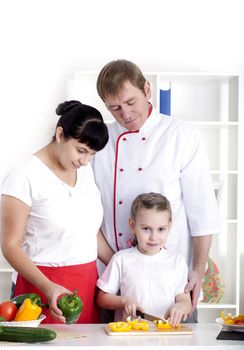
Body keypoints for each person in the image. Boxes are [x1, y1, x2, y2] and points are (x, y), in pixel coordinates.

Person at [92, 59, 220, 322]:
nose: (125, 114)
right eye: (114, 108)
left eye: (131, 102)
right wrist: (120, 263)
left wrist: (197, 270)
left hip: (173, 285)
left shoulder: (181, 135)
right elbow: (88, 213)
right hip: (115, 283)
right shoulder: (100, 142)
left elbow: (202, 212)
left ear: (147, 90)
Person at [0, 100, 112, 324]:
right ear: (60, 134)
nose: (85, 160)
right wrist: (48, 287)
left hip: (87, 284)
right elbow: (10, 245)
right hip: (41, 286)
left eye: (92, 154)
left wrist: (121, 265)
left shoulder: (85, 171)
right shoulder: (24, 176)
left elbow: (89, 230)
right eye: (81, 151)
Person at [97, 193, 192, 326]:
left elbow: (185, 300)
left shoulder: (177, 262)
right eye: (146, 229)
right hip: (128, 335)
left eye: (161, 229)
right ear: (132, 225)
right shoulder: (121, 259)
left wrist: (180, 307)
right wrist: (124, 302)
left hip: (164, 336)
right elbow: (102, 298)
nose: (154, 237)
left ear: (169, 226)